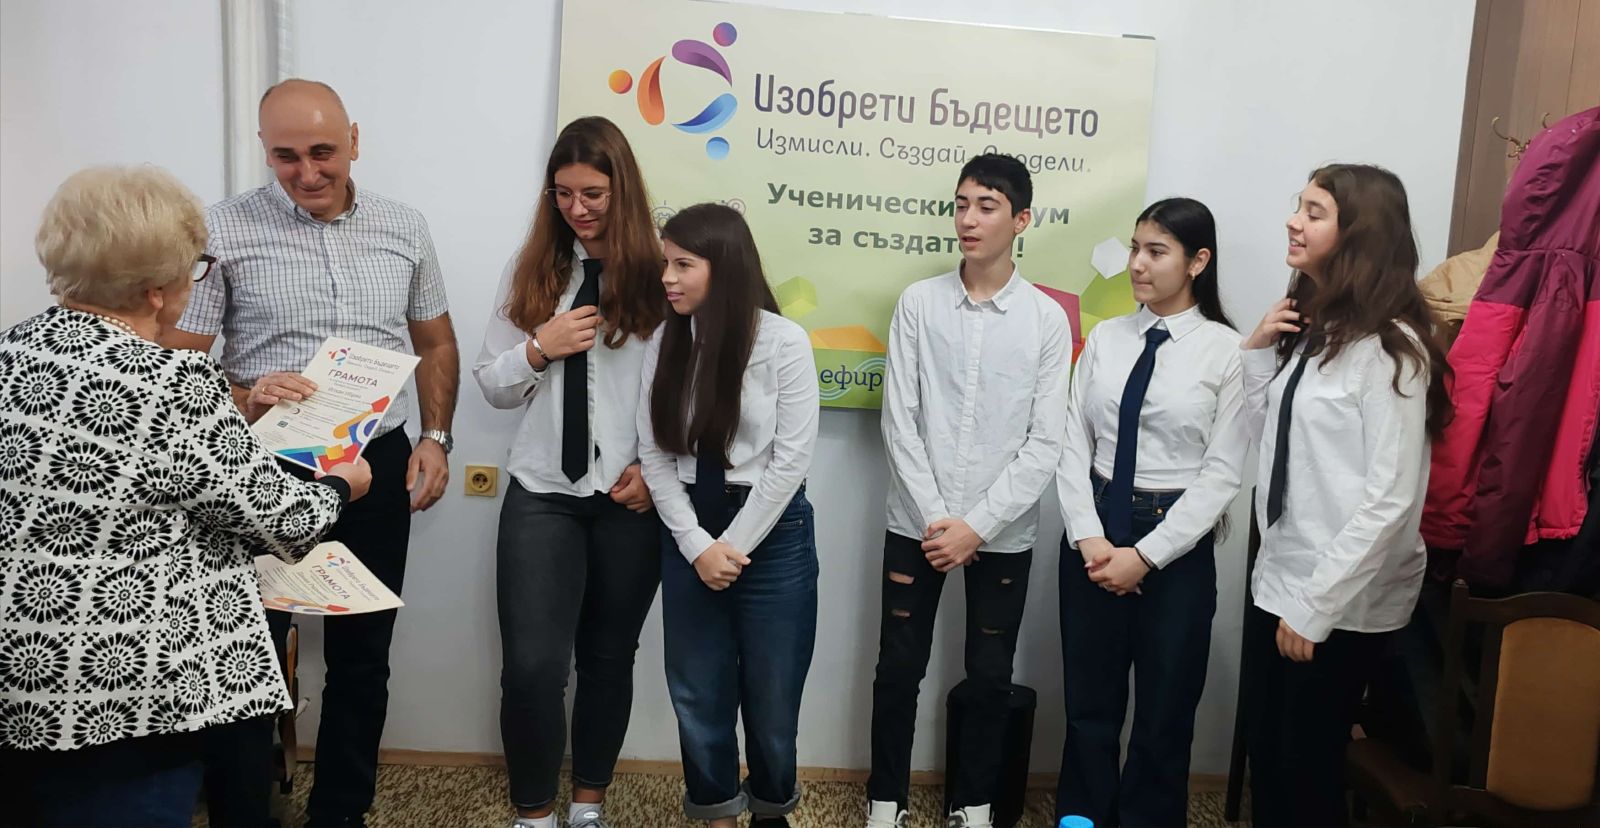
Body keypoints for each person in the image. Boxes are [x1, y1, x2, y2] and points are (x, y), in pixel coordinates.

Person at [0, 165, 371, 828]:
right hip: (133, 689)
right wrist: (344, 484)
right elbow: (284, 521)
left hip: (24, 674)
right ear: (156, 291)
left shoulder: (12, 352)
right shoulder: (171, 379)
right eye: (193, 270)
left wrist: (242, 414)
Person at [162, 78, 459, 828]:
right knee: (249, 654)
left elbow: (435, 342)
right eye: (285, 156)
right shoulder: (220, 230)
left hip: (375, 464)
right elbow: (177, 365)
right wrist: (246, 396)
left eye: (323, 151)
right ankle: (243, 812)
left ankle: (340, 813)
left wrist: (435, 436)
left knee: (364, 652)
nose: (307, 172)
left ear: (354, 141)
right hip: (258, 465)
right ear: (264, 150)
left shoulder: (405, 226)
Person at [1240, 164, 1450, 828]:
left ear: (1360, 234)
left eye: (1314, 212)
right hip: (1281, 575)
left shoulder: (1391, 349)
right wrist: (1256, 351)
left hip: (1339, 598)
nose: (1293, 221)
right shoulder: (1315, 329)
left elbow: (1391, 501)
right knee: (1269, 757)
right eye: (1297, 206)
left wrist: (1316, 606)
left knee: (1304, 770)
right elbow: (1263, 442)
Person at [866, 154, 1072, 828]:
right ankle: (886, 804)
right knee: (898, 669)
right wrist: (938, 521)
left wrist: (977, 526)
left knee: (989, 674)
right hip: (917, 524)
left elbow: (1045, 441)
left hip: (1002, 531)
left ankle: (974, 808)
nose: (968, 219)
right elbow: (899, 422)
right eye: (961, 204)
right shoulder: (919, 304)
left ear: (1022, 219)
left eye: (986, 206)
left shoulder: (1046, 319)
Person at [473, 116, 665, 828]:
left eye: (592, 194)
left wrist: (656, 470)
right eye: (562, 193)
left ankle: (588, 806)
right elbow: (493, 385)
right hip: (543, 493)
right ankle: (534, 814)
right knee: (532, 666)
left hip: (629, 497)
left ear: (624, 190)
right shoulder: (534, 269)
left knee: (609, 658)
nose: (576, 208)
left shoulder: (662, 272)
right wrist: (539, 347)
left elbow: (686, 389)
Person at [1054, 198, 1247, 827]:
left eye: (1156, 251)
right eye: (1136, 248)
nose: (1137, 264)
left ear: (1198, 261)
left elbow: (1222, 474)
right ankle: (1082, 815)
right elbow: (1071, 441)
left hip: (1175, 545)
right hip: (1094, 529)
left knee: (1165, 710)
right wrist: (1089, 538)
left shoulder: (1228, 352)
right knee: (1089, 703)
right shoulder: (1107, 338)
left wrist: (1146, 556)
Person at [637, 203, 820, 828]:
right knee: (698, 692)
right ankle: (715, 812)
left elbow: (790, 460)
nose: (668, 277)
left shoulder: (783, 342)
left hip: (772, 532)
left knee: (772, 697)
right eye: (666, 263)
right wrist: (697, 546)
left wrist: (730, 548)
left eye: (683, 264)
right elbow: (654, 455)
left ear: (725, 266)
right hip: (688, 523)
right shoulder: (665, 340)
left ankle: (771, 810)